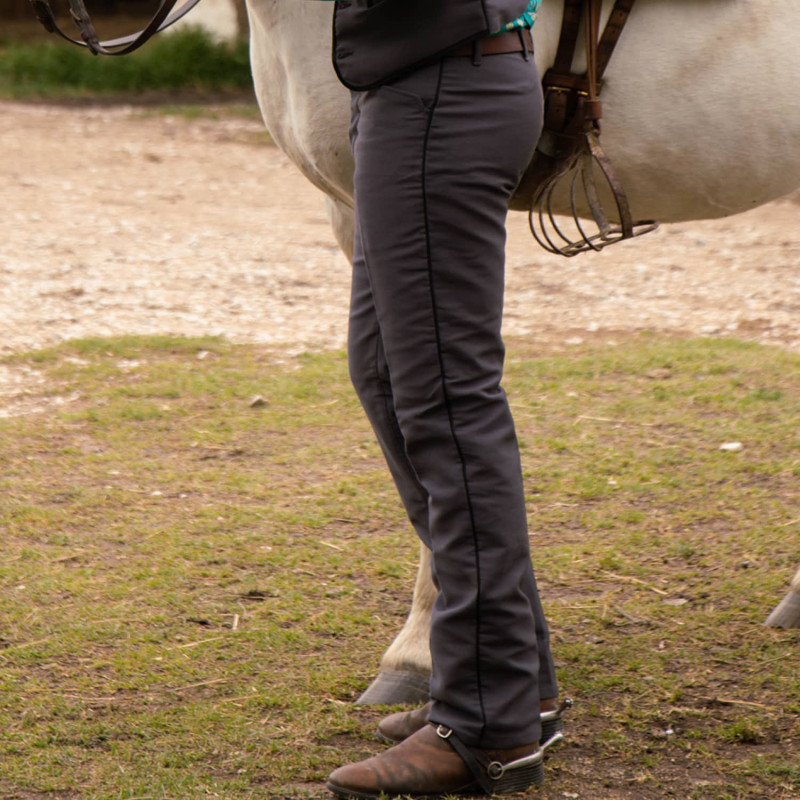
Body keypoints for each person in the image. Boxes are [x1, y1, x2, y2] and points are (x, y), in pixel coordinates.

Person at [323, 0, 565, 796]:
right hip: (410, 92)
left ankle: (487, 722)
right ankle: (518, 677)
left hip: (442, 94)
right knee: (385, 372)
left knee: (449, 406)